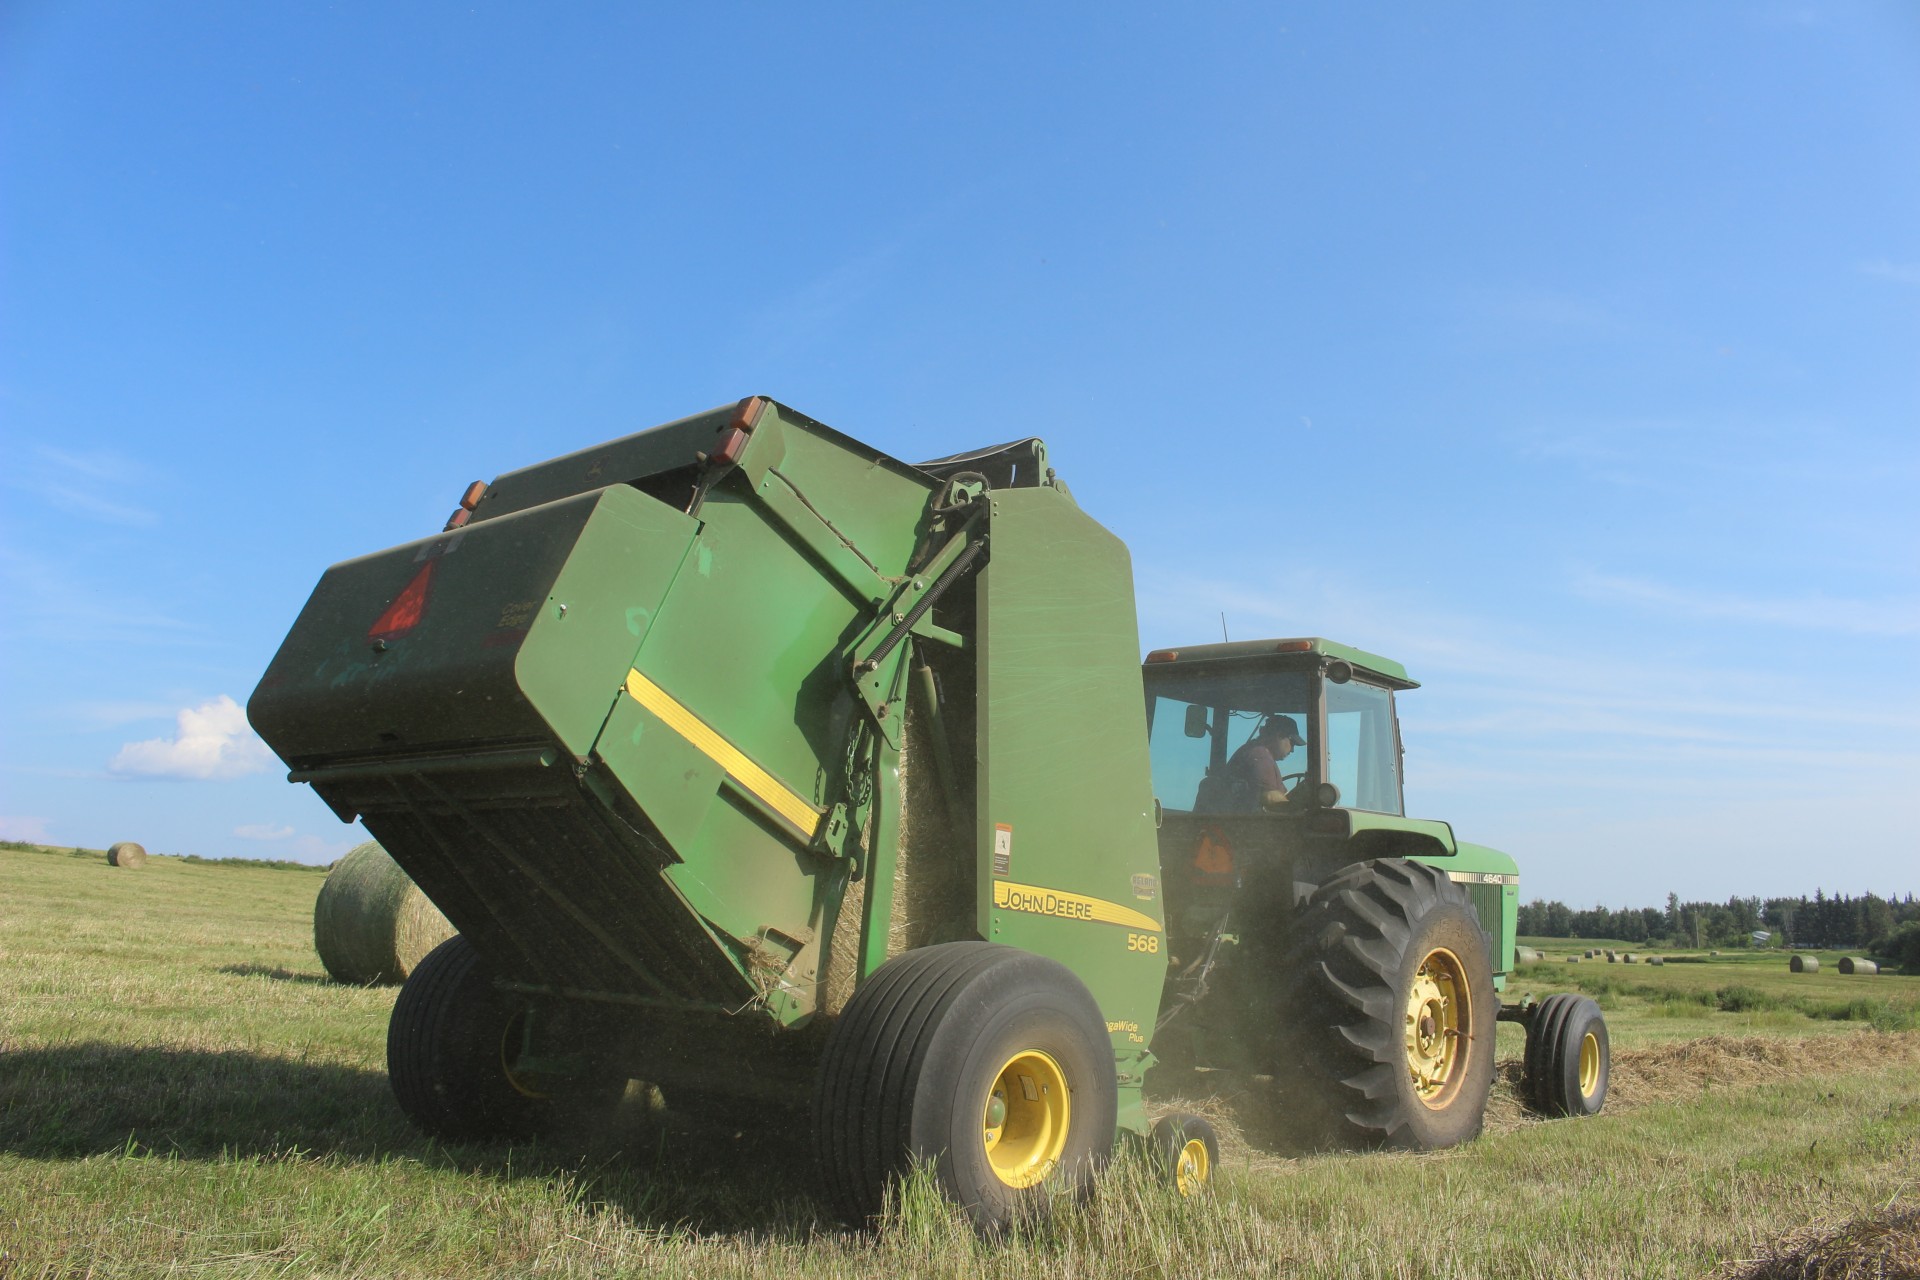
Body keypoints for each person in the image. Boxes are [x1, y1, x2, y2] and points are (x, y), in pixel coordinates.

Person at [1223, 713, 1304, 811]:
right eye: (1292, 743)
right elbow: (1270, 797)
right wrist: (1298, 807)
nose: (1292, 750)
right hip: (1250, 823)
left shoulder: (1254, 751)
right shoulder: (1260, 755)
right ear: (1279, 735)